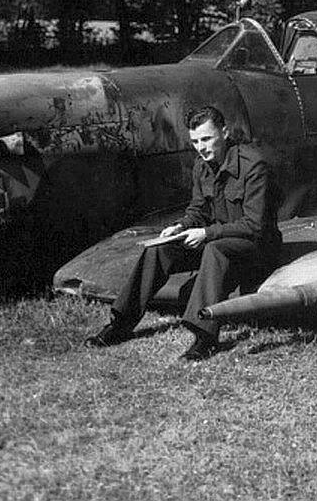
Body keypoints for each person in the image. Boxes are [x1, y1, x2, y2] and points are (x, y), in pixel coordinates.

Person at [85, 105, 282, 360]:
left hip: (255, 247)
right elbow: (198, 209)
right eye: (195, 141)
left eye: (207, 139)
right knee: (159, 248)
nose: (201, 147)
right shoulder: (202, 166)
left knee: (214, 248)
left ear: (224, 133)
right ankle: (121, 323)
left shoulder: (253, 166)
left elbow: (254, 226)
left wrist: (206, 233)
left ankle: (205, 336)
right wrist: (181, 227)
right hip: (217, 237)